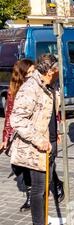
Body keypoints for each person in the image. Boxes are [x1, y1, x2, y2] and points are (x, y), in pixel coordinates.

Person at [9, 54, 64, 225]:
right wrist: (38, 140)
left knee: (47, 183)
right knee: (38, 188)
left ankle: (44, 218)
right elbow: (16, 119)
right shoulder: (30, 88)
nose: (59, 73)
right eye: (57, 70)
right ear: (50, 71)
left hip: (49, 140)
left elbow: (53, 112)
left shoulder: (47, 85)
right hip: (34, 146)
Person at [1, 59, 35, 212]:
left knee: (31, 164)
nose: (33, 74)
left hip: (33, 130)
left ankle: (31, 197)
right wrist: (4, 138)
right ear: (22, 74)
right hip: (18, 132)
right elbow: (8, 116)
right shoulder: (13, 90)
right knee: (17, 166)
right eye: (30, 72)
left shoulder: (36, 86)